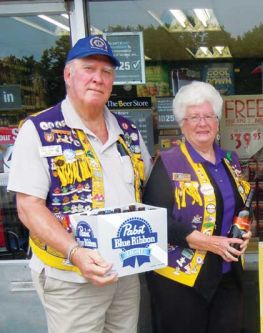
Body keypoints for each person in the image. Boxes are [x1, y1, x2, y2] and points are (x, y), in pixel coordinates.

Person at [7, 35, 152, 333]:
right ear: (68, 74)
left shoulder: (128, 131)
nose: (98, 78)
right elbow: (28, 208)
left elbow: (147, 185)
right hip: (70, 276)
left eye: (106, 72)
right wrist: (75, 252)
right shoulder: (39, 130)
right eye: (89, 69)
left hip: (124, 271)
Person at [142, 81, 252, 333]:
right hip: (181, 281)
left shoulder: (230, 160)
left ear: (217, 121)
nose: (202, 123)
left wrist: (245, 232)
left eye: (208, 116)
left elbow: (243, 206)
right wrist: (208, 242)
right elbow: (156, 220)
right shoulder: (167, 163)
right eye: (193, 117)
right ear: (182, 124)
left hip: (227, 274)